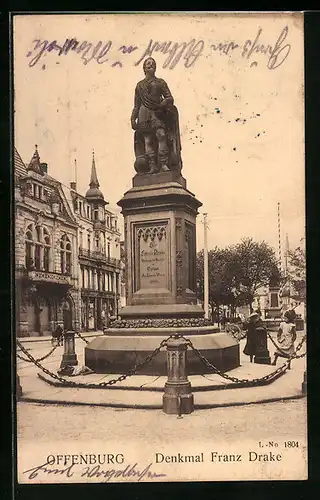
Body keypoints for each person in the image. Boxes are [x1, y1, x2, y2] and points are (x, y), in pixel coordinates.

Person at [131, 57, 182, 174]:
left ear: (155, 67)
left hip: (157, 112)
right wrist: (133, 118)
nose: (150, 65)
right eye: (148, 64)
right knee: (148, 140)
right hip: (143, 113)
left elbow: (169, 98)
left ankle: (163, 164)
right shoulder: (139, 86)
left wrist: (163, 103)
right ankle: (152, 165)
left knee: (161, 135)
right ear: (144, 68)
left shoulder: (160, 82)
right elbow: (136, 105)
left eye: (152, 63)